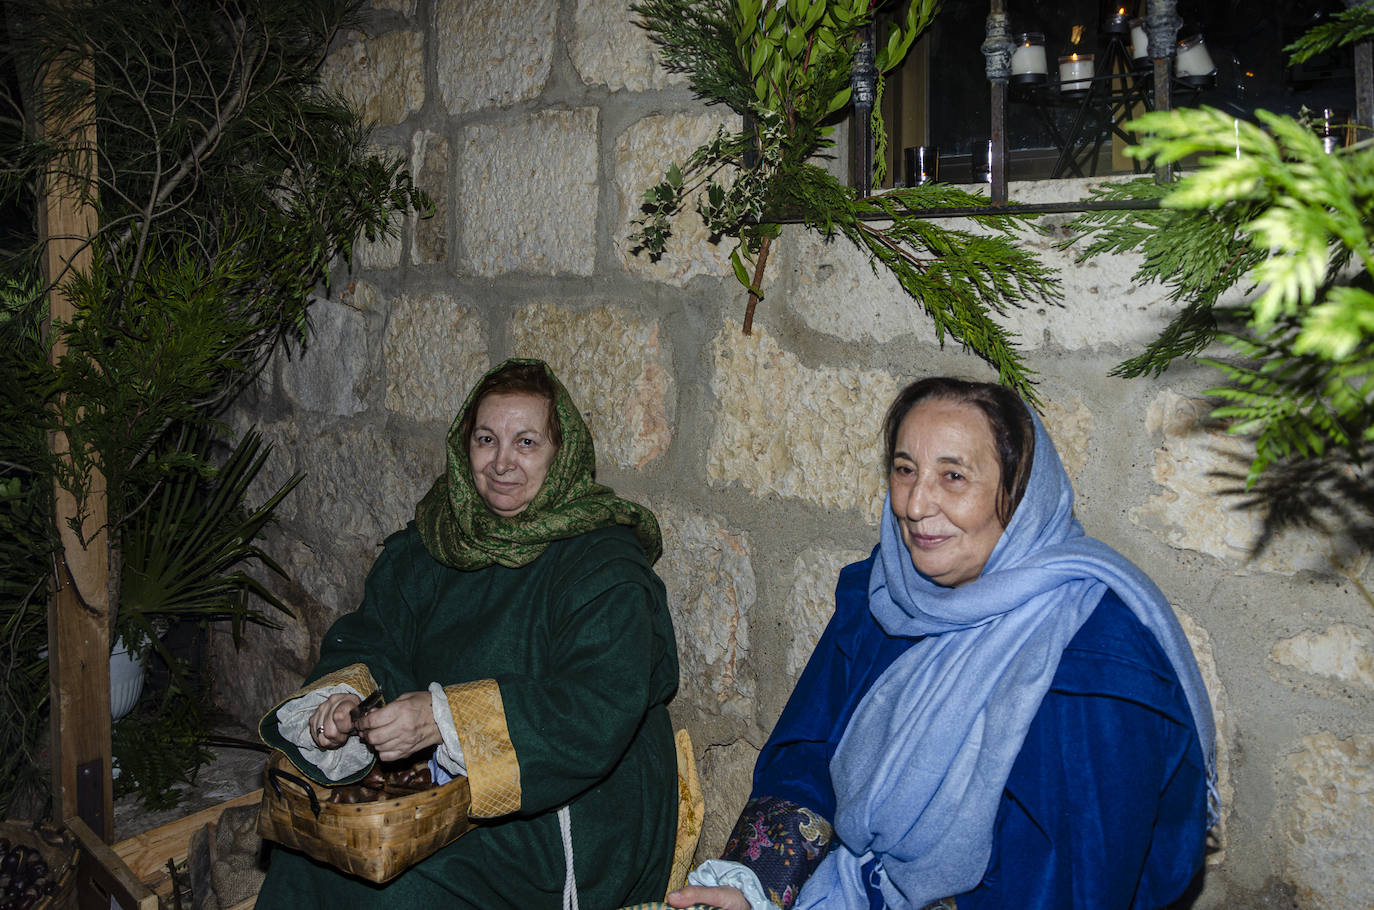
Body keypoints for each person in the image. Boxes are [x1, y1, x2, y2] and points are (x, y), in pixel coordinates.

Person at [669, 377, 1216, 910]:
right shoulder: (885, 598)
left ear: (1020, 492)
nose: (915, 503)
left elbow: (1074, 882)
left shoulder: (1092, 666)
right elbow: (809, 755)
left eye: (953, 476)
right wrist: (754, 886)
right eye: (905, 470)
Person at [256, 358, 680, 909]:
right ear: (465, 446)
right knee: (307, 856)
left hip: (563, 808)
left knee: (398, 892)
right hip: (435, 793)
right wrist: (347, 701)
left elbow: (597, 706)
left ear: (562, 452)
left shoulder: (602, 563)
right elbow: (375, 638)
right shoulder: (433, 541)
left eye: (526, 442)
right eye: (486, 439)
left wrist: (441, 718)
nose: (502, 463)